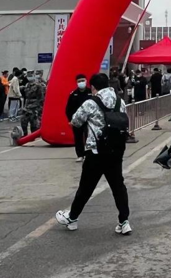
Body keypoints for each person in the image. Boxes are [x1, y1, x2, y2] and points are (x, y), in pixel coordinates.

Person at [56, 73, 131, 235]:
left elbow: (76, 121)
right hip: (116, 150)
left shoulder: (91, 102)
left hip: (96, 151)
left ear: (93, 87)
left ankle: (72, 218)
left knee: (86, 187)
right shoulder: (120, 102)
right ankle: (124, 221)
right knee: (118, 186)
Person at [66, 74, 91, 162]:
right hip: (77, 120)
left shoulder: (91, 92)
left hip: (89, 119)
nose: (81, 83)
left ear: (86, 81)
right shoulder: (73, 94)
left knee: (89, 136)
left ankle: (89, 154)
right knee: (78, 137)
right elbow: (68, 109)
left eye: (82, 81)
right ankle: (80, 154)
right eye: (79, 81)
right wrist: (70, 120)